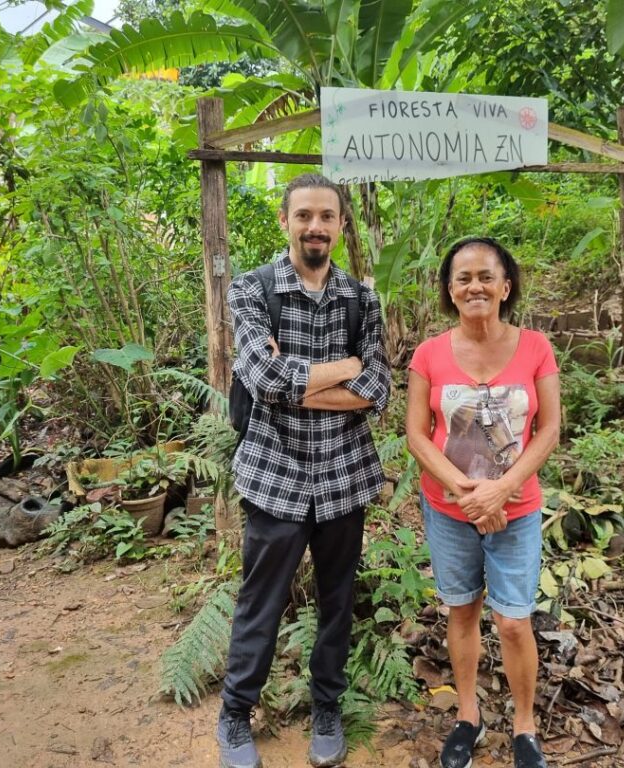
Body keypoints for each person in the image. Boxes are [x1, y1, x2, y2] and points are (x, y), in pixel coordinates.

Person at [217, 173, 391, 768]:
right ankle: (236, 714)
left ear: (342, 225)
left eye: (327, 216)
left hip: (345, 476)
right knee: (260, 600)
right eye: (304, 215)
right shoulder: (251, 289)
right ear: (286, 221)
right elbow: (260, 381)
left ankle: (327, 707)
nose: (315, 226)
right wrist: (342, 367)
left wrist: (299, 379)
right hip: (275, 474)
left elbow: (378, 389)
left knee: (337, 599)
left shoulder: (362, 300)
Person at [406, 236, 560, 768]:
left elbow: (549, 428)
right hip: (450, 510)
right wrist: (469, 492)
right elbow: (418, 434)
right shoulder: (429, 353)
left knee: (514, 620)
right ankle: (468, 717)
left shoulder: (536, 346)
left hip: (516, 510)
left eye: (486, 276)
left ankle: (525, 726)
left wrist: (501, 487)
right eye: (463, 278)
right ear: (450, 290)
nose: (475, 285)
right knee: (463, 609)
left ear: (505, 286)